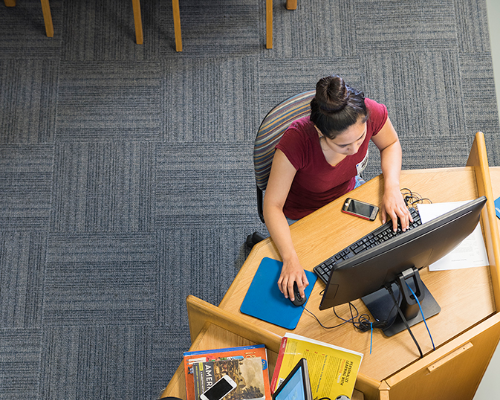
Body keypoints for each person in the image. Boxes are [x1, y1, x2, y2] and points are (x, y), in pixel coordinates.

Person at [263, 75, 412, 302]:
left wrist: (391, 188)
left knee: (378, 260)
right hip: (303, 214)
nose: (354, 150)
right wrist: (289, 257)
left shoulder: (369, 112)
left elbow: (390, 144)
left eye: (361, 138)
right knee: (318, 287)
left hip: (348, 195)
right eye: (343, 145)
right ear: (320, 132)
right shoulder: (297, 141)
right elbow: (272, 206)